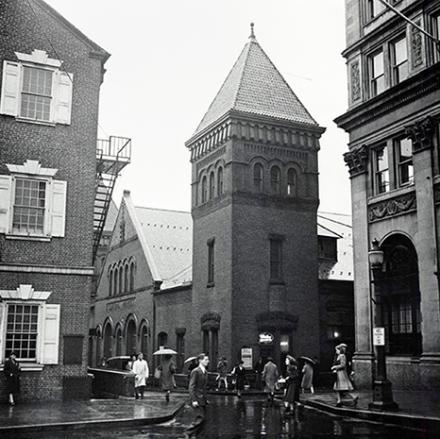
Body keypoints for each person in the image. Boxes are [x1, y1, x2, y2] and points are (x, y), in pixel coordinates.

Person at [331, 343, 358, 408]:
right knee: (338, 388)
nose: (336, 351)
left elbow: (343, 365)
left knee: (344, 388)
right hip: (338, 374)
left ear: (340, 350)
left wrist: (335, 367)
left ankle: (353, 397)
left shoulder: (342, 356)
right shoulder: (339, 356)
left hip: (341, 374)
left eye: (337, 349)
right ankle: (339, 401)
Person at [188, 353, 210, 419]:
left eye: (208, 360)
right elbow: (191, 387)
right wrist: (194, 400)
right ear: (200, 360)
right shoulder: (196, 371)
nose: (208, 361)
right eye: (206, 360)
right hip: (197, 400)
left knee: (203, 418)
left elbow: (204, 387)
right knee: (198, 418)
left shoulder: (205, 372)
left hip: (203, 400)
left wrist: (205, 399)